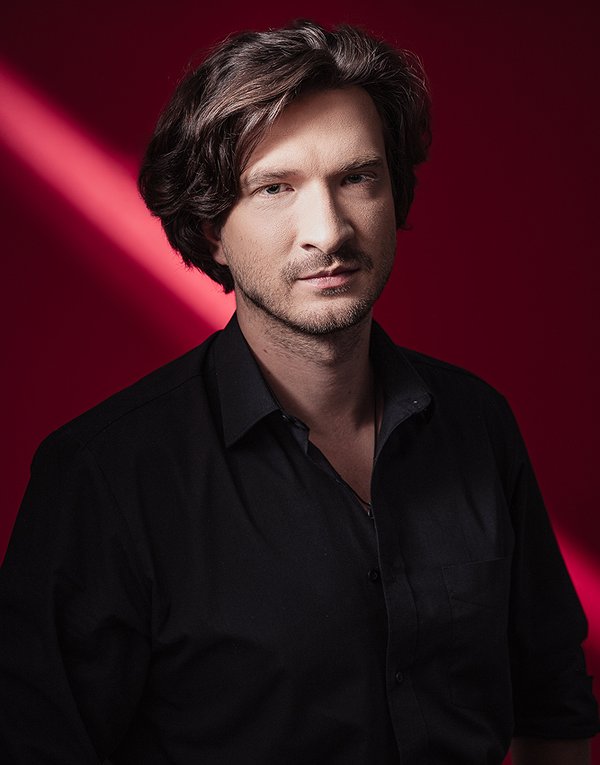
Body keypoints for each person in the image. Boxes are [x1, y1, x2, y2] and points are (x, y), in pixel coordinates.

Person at [0, 19, 597, 765]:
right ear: (212, 231)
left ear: (394, 194)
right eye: (275, 188)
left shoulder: (478, 424)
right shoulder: (104, 477)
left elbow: (552, 706)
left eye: (357, 178)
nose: (329, 231)